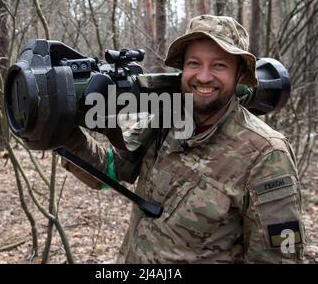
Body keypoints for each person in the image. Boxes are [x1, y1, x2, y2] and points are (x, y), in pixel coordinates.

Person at [61, 15, 305, 263]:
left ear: (239, 73)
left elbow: (281, 258)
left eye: (219, 65)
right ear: (182, 69)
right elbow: (112, 169)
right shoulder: (167, 118)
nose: (204, 76)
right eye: (194, 63)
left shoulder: (265, 153)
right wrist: (64, 136)